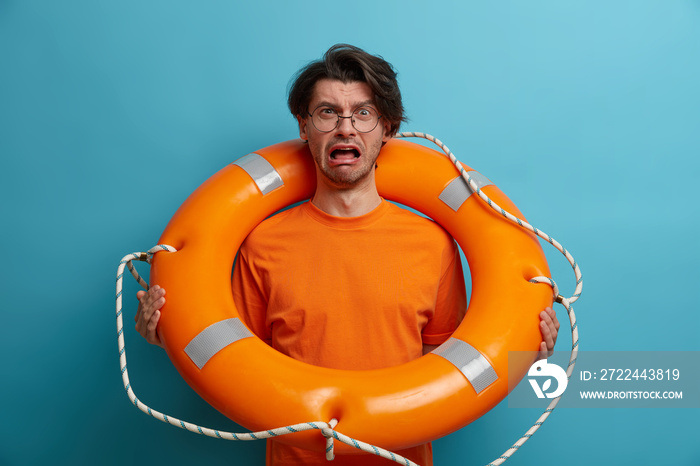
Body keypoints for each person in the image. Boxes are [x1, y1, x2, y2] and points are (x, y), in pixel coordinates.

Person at [135, 44, 560, 466]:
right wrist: (170, 333)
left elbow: (452, 374)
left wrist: (524, 353)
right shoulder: (261, 245)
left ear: (387, 129)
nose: (345, 128)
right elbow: (235, 366)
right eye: (326, 113)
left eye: (363, 113)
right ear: (304, 127)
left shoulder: (433, 244)